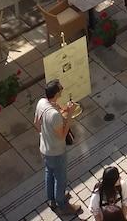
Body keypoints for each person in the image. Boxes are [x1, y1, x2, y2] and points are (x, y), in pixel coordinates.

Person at [34, 79, 82, 216]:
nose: (62, 90)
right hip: (56, 152)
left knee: (49, 173)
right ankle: (63, 205)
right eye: (60, 89)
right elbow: (62, 135)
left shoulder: (41, 103)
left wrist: (46, 135)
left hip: (44, 148)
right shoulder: (54, 115)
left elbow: (36, 123)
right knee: (60, 178)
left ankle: (52, 199)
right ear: (56, 93)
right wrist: (70, 115)